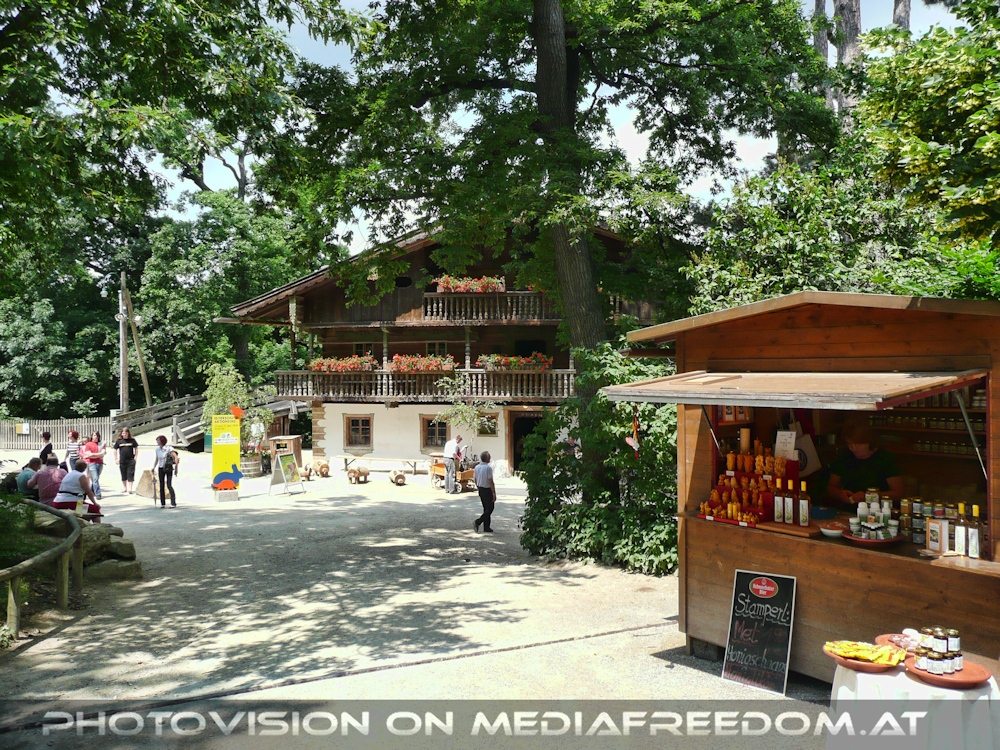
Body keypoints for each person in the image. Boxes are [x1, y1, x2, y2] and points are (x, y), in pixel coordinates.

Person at [827, 415, 904, 509]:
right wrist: (840, 494)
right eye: (849, 444)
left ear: (869, 442)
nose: (853, 448)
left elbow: (898, 493)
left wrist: (870, 496)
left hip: (878, 511)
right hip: (848, 510)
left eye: (858, 444)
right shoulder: (844, 457)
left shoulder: (885, 459)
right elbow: (831, 487)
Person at [152, 435, 179, 508]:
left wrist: (176, 468)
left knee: (169, 485)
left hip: (168, 467)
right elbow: (157, 459)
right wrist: (153, 467)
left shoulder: (169, 448)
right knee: (161, 485)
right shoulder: (157, 450)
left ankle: (173, 503)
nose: (157, 442)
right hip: (160, 468)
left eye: (158, 440)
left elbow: (176, 457)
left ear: (162, 441)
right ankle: (162, 503)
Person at [473, 451, 496, 533]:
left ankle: (486, 526)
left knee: (486, 508)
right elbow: (490, 481)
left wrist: (478, 487)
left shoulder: (477, 467)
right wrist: (494, 493)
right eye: (489, 457)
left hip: (481, 488)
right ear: (486, 458)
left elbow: (475, 479)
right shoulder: (488, 468)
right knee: (490, 508)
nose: (490, 458)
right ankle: (478, 521)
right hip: (487, 489)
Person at [81, 431, 106, 500]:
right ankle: (98, 494)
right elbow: (89, 454)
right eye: (94, 435)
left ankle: (92, 491)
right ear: (92, 436)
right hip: (92, 463)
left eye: (97, 435)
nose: (95, 437)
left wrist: (93, 455)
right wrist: (98, 455)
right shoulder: (88, 444)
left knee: (96, 478)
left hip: (100, 463)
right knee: (95, 479)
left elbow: (103, 453)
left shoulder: (102, 444)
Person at [113, 427, 140, 494]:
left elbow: (136, 448)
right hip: (122, 460)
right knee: (123, 474)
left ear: (128, 433)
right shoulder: (119, 441)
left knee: (131, 473)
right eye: (123, 433)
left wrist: (136, 456)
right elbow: (115, 449)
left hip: (131, 460)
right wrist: (116, 458)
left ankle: (130, 488)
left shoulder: (132, 440)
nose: (124, 434)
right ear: (121, 433)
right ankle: (124, 487)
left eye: (126, 433)